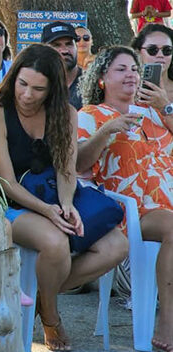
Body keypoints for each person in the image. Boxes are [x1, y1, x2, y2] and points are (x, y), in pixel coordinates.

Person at [0, 44, 127, 352]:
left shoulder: (65, 114)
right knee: (55, 242)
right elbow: (5, 182)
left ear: (52, 89)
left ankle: (37, 297)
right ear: (13, 79)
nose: (27, 94)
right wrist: (49, 211)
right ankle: (50, 317)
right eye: (22, 84)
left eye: (38, 89)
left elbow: (66, 168)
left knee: (117, 245)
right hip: (8, 202)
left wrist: (65, 204)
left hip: (53, 193)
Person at [76, 46, 173, 351]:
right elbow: (78, 165)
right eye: (121, 69)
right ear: (102, 78)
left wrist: (166, 105)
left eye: (134, 68)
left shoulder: (153, 112)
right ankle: (167, 319)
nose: (131, 74)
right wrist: (105, 133)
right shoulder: (91, 114)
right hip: (133, 207)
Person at [40, 21, 83, 109]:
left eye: (69, 44)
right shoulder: (37, 82)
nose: (64, 51)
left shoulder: (91, 83)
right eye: (56, 45)